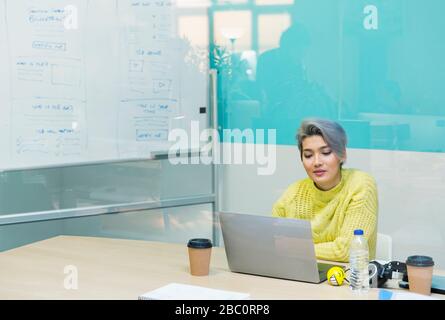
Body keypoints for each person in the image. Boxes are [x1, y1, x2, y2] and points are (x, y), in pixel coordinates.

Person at [272, 118, 378, 262]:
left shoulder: (360, 185)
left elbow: (346, 251)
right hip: (299, 276)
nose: (317, 162)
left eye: (326, 152)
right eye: (308, 155)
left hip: (349, 280)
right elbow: (273, 244)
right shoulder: (292, 194)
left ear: (342, 155)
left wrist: (294, 248)